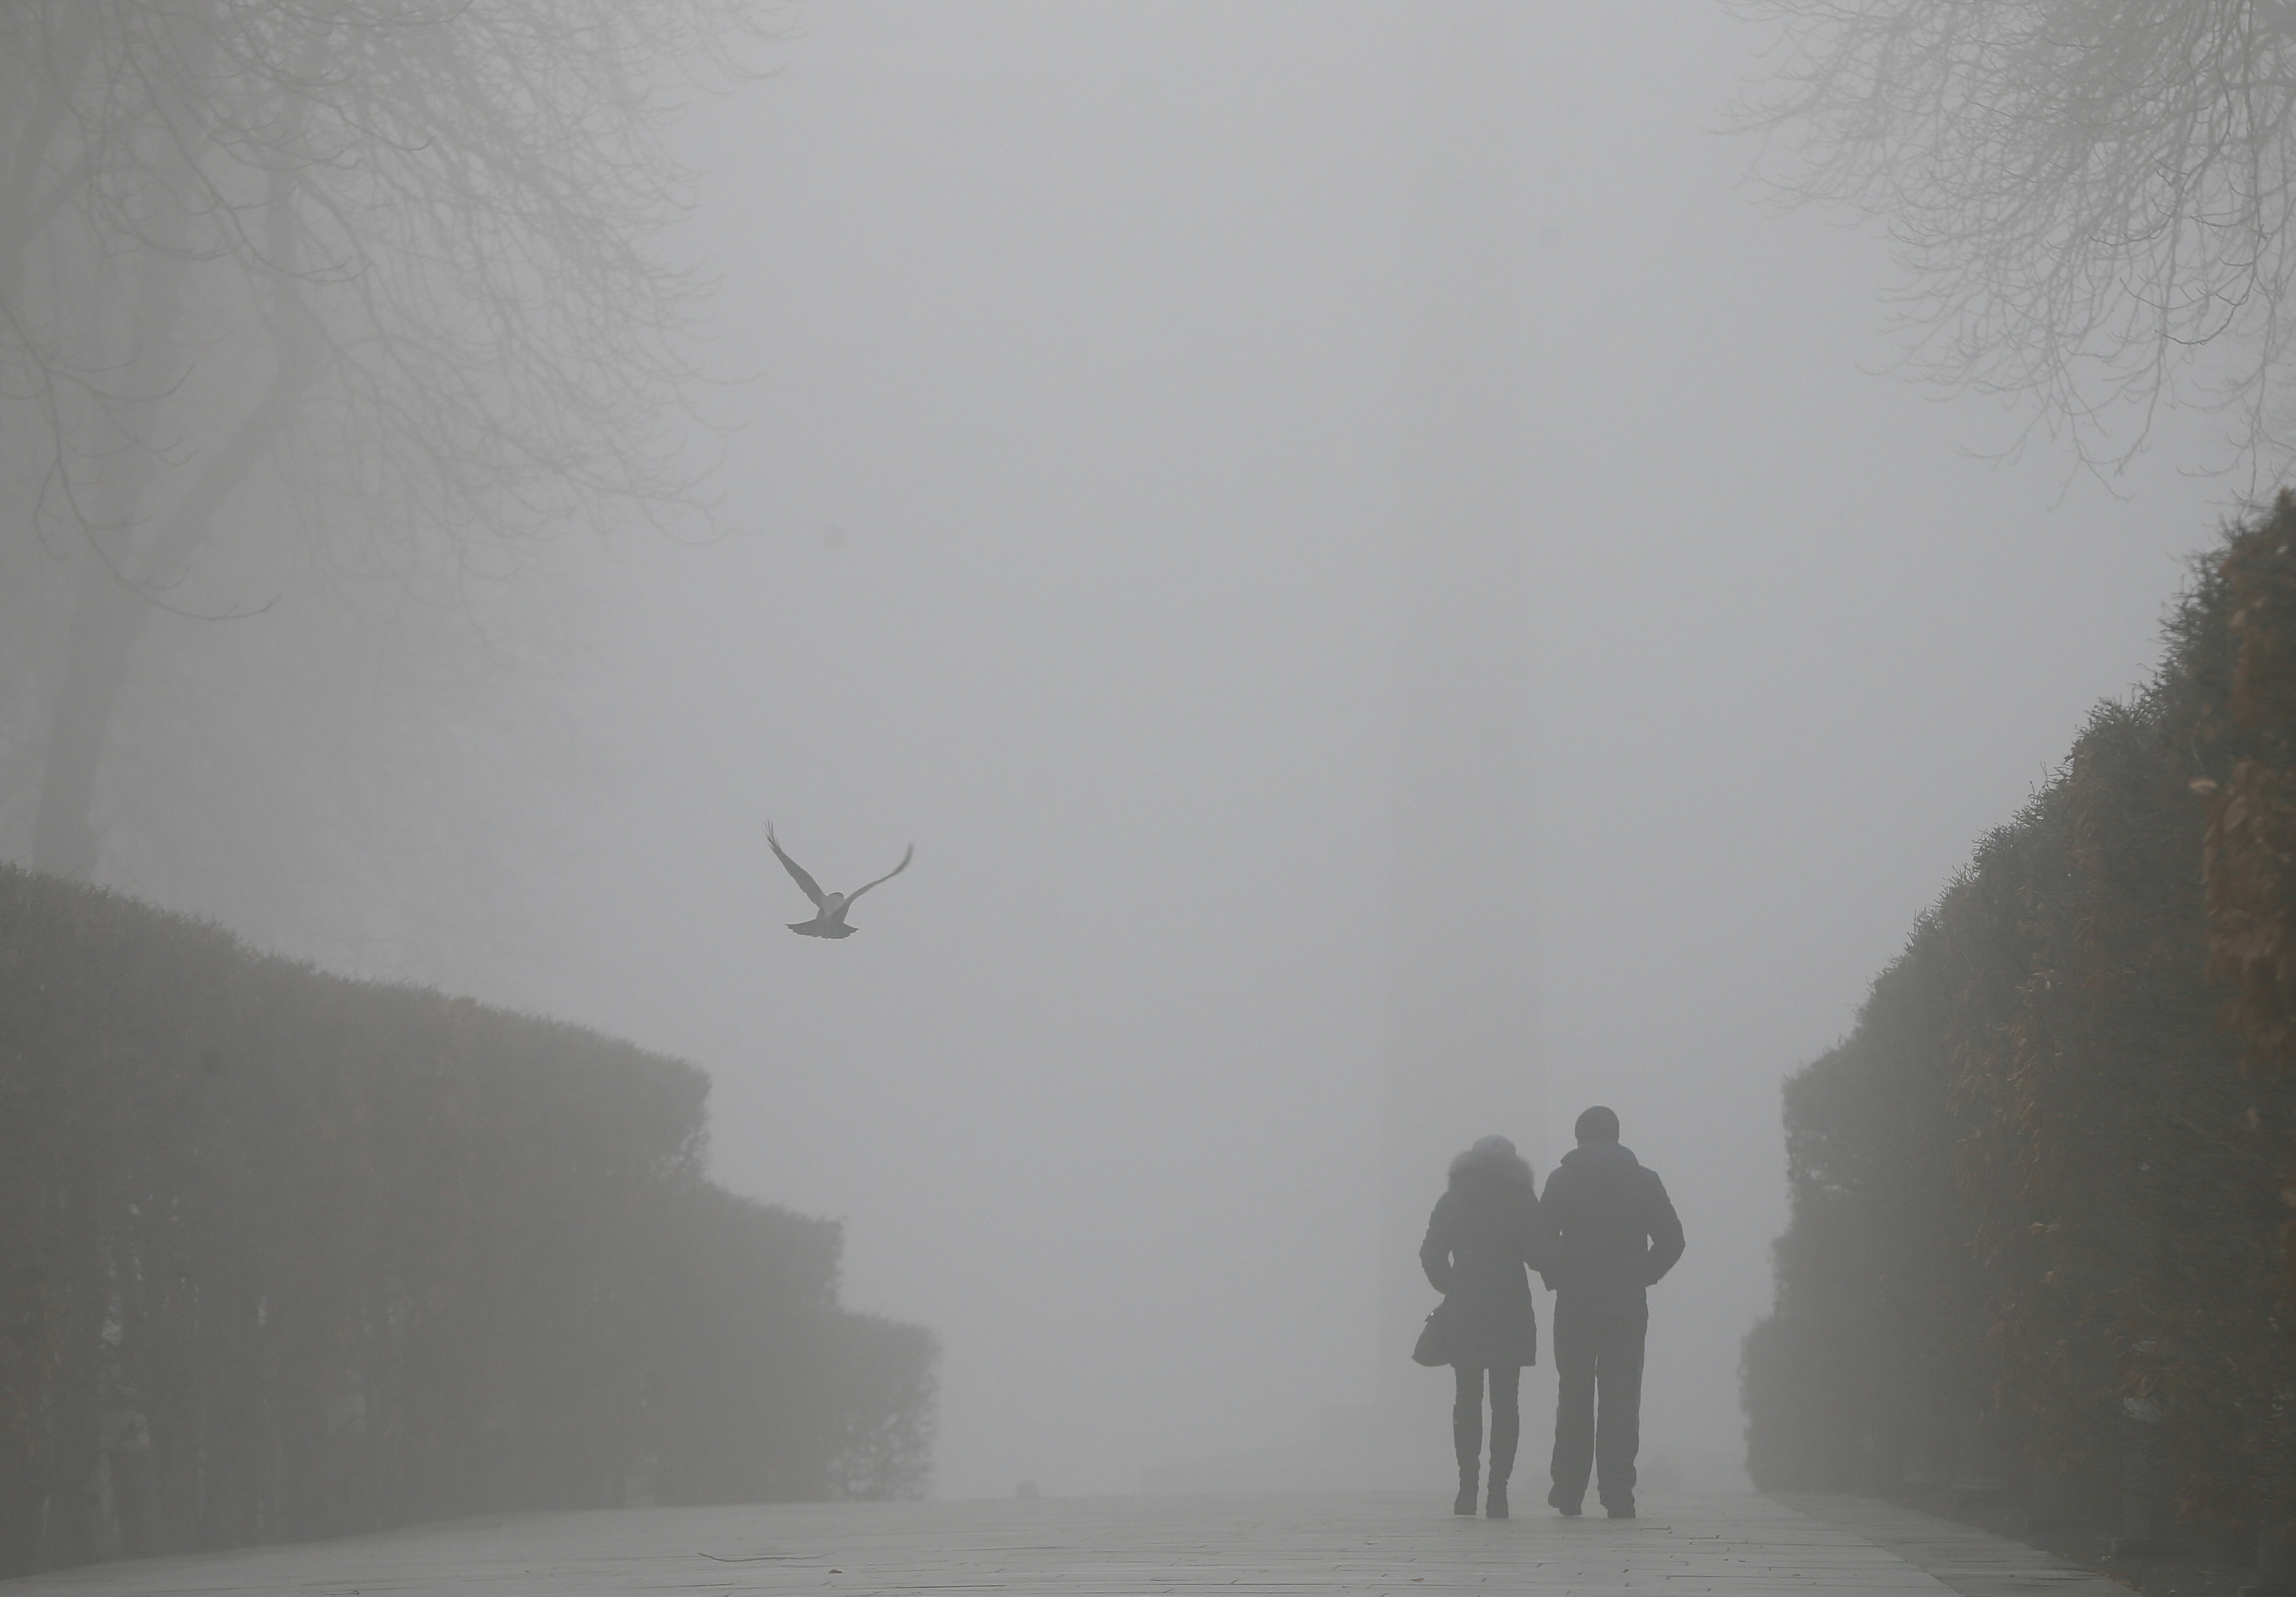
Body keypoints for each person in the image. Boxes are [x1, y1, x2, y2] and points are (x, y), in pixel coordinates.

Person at [1539, 1106, 1683, 1520]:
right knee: (1621, 1400)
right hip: (1626, 1306)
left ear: (1579, 1137)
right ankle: (1618, 1492)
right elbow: (1673, 1240)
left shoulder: (1562, 1180)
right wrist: (1643, 1275)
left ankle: (1569, 1491)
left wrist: (1557, 1274)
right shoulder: (1645, 1182)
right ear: (1617, 1136)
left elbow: (1541, 1239)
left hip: (1575, 1305)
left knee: (1574, 1396)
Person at [1419, 1134, 1551, 1518]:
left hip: (1466, 1311)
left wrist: (1453, 1285)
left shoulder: (1453, 1199)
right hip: (1510, 1308)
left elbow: (1431, 1254)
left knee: (1467, 1400)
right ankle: (1498, 1493)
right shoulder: (1522, 1200)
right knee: (1506, 1404)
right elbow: (1539, 1256)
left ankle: (1466, 1490)